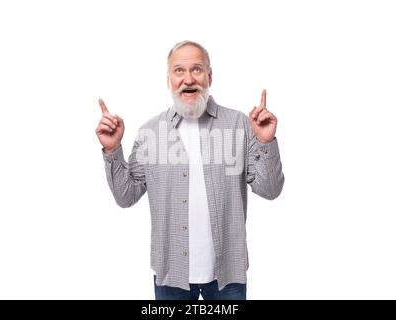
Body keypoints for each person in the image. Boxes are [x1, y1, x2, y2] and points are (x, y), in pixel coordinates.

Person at [95, 40, 284, 300]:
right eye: (179, 71)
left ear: (209, 76)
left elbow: (270, 190)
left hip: (227, 275)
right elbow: (126, 197)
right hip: (171, 274)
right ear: (169, 79)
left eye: (196, 69)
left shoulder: (240, 124)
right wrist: (113, 149)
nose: (188, 78)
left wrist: (265, 142)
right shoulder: (151, 132)